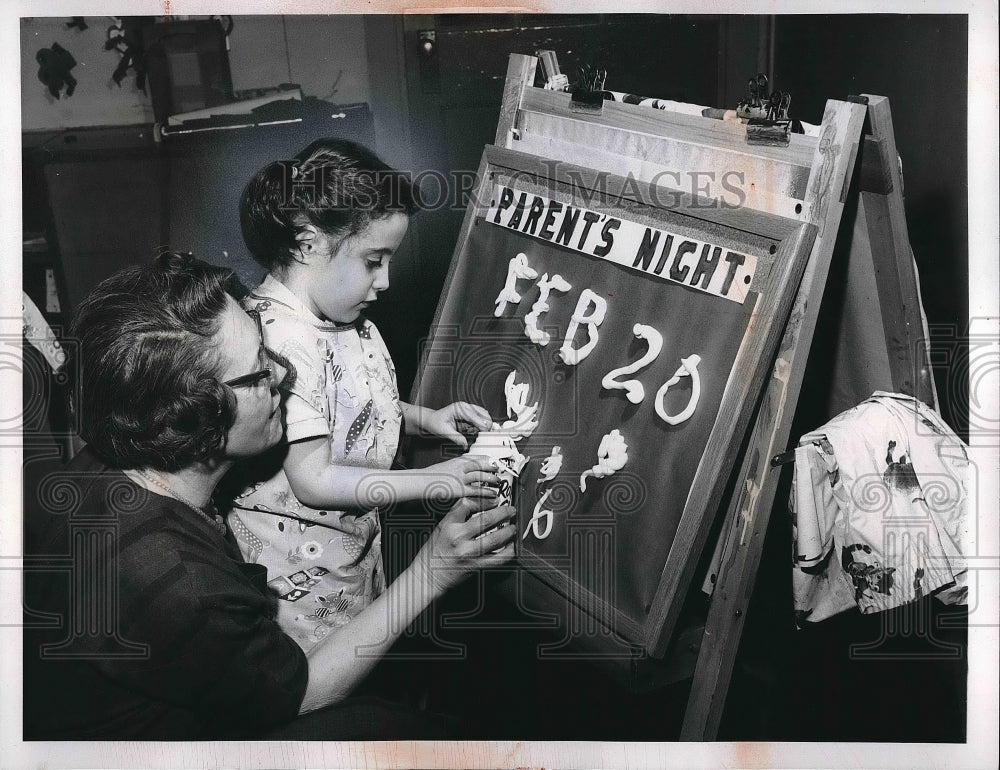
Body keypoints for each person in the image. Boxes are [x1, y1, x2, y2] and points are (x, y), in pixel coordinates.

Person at [22, 253, 515, 739]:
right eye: (259, 374)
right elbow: (301, 693)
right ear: (196, 420)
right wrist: (434, 569)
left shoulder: (104, 464)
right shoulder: (176, 582)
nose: (282, 375)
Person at [229, 138, 500, 652]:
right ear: (308, 242)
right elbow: (313, 478)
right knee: (324, 688)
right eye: (374, 261)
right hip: (299, 582)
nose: (386, 281)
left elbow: (345, 407)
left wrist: (422, 418)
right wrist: (431, 480)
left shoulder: (338, 316)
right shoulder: (277, 340)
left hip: (349, 555)